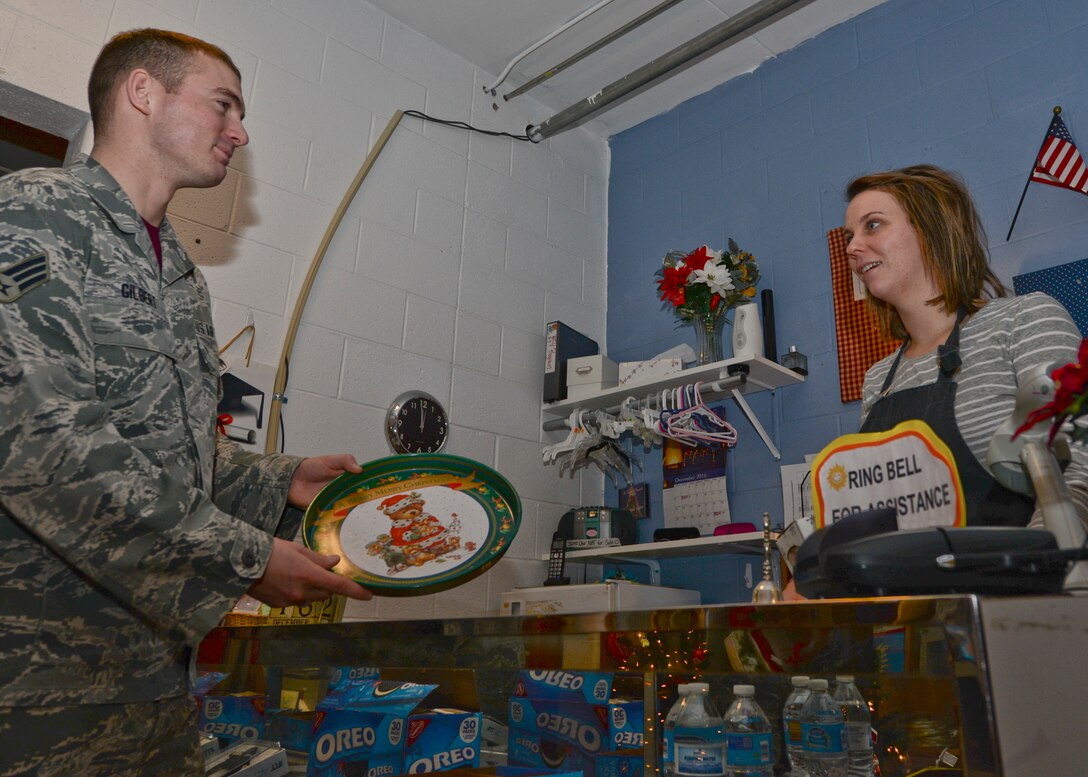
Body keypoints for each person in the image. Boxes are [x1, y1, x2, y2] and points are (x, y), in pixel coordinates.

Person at [0, 29, 371, 775]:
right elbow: (46, 443)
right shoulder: (35, 213)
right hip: (38, 688)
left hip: (156, 683)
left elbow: (173, 454)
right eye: (223, 104)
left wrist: (279, 481)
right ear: (145, 92)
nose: (239, 132)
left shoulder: (183, 277)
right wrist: (246, 556)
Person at [789, 164, 1087, 596]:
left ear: (931, 229)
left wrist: (1028, 582)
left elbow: (1077, 474)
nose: (853, 247)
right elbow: (876, 519)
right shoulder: (878, 381)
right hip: (912, 629)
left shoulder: (1024, 320)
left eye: (872, 225)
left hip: (1026, 610)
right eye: (850, 235)